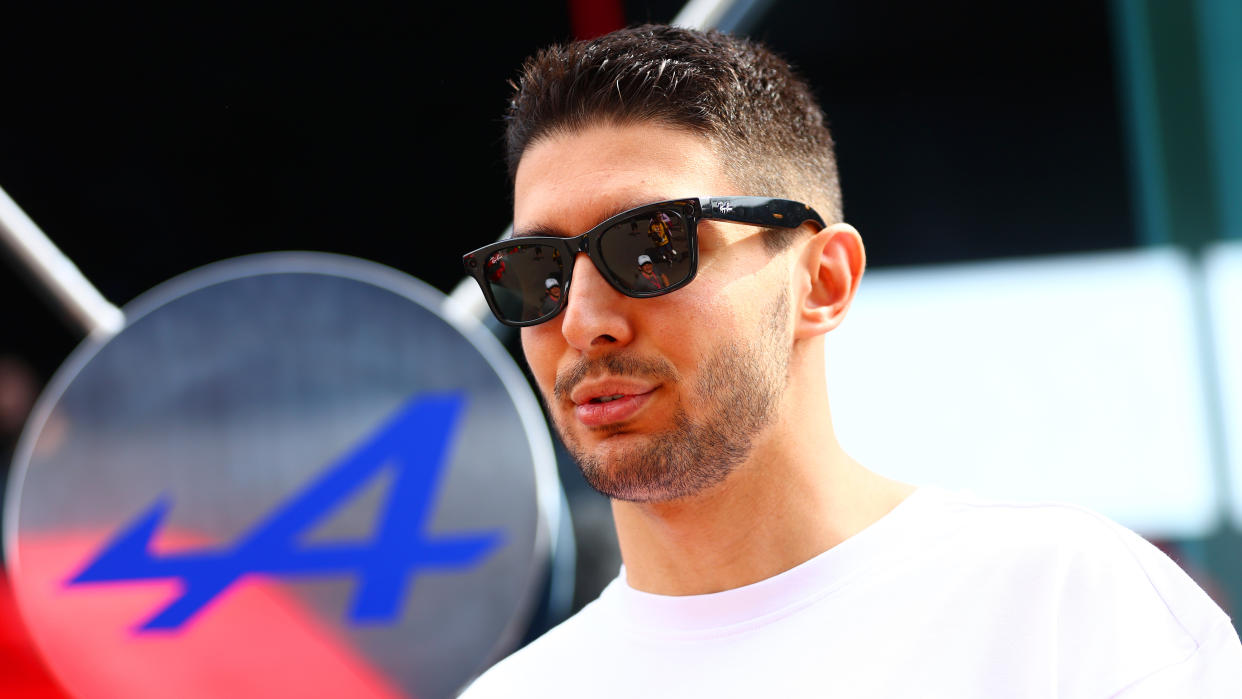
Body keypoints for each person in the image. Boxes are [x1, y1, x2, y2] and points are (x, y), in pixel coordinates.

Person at [460, 25, 1242, 697]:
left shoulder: (1065, 605)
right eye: (536, 270)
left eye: (651, 245)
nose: (585, 321)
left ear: (822, 280)